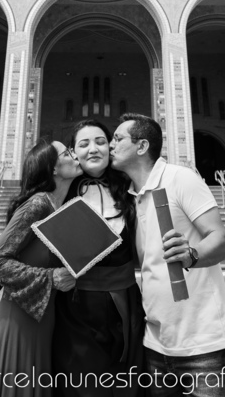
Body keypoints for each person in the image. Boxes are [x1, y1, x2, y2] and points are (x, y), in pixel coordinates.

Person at [110, 113, 225, 397]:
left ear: (142, 146)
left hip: (204, 344)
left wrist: (191, 254)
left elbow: (221, 240)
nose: (110, 145)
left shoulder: (180, 178)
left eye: (117, 139)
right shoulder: (132, 197)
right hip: (156, 344)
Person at [0, 139, 81, 396]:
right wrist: (52, 277)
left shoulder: (62, 208)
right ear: (53, 169)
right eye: (67, 152)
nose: (74, 154)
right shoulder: (37, 205)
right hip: (16, 328)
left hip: (43, 326)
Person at [53, 120, 146, 396]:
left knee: (126, 381)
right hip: (76, 308)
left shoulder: (132, 189)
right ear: (73, 152)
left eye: (101, 142)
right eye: (84, 144)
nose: (93, 149)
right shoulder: (62, 191)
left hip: (125, 302)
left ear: (111, 147)